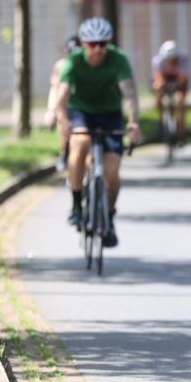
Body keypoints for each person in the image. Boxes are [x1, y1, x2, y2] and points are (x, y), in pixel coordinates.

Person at [51, 18, 142, 247]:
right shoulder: (73, 61)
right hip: (81, 111)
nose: (98, 49)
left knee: (111, 172)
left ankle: (109, 217)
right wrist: (63, 120)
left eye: (102, 44)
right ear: (83, 43)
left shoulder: (118, 58)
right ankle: (75, 203)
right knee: (80, 144)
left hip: (110, 113)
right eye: (92, 44)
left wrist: (133, 122)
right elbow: (61, 98)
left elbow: (130, 94)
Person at [44, 35, 82, 172]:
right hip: (66, 103)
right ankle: (65, 150)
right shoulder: (61, 66)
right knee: (64, 123)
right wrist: (51, 111)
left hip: (85, 104)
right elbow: (55, 89)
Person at [151, 40, 189, 144]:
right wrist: (160, 85)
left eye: (174, 59)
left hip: (178, 81)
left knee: (180, 101)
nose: (171, 61)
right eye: (169, 60)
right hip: (165, 79)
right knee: (158, 95)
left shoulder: (183, 60)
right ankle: (161, 119)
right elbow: (157, 77)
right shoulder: (158, 61)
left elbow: (183, 78)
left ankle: (181, 129)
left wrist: (177, 86)